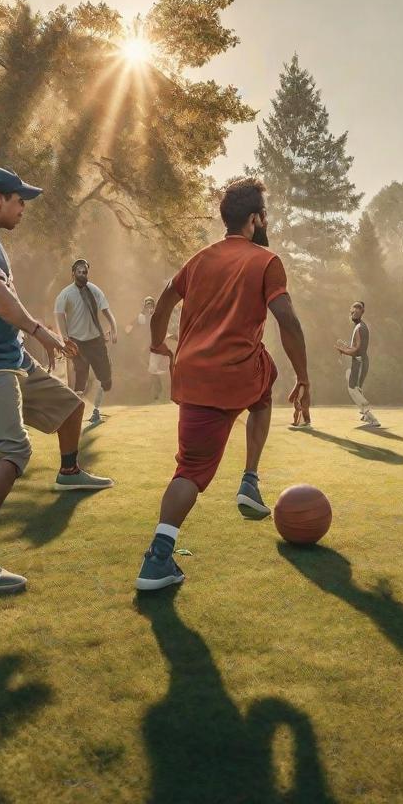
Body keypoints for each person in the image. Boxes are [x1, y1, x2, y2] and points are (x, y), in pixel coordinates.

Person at [134, 177, 311, 591]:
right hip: (236, 374)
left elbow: (162, 304)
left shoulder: (198, 260)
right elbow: (288, 321)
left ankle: (158, 558)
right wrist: (305, 378)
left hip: (193, 377)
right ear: (254, 219)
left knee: (189, 471)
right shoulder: (267, 261)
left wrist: (158, 342)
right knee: (267, 378)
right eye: (263, 215)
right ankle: (249, 478)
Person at [0, 167, 114, 592]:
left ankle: (70, 470)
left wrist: (28, 343)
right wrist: (42, 332)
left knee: (71, 406)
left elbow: (3, 301)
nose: (23, 207)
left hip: (11, 357)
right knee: (11, 451)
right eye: (19, 200)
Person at [54, 259, 118, 425]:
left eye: (85, 272)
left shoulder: (94, 290)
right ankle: (76, 412)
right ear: (73, 273)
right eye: (80, 272)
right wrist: (65, 338)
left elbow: (107, 312)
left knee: (106, 379)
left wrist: (114, 328)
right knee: (81, 373)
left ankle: (95, 408)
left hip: (95, 340)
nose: (83, 275)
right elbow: (59, 315)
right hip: (77, 341)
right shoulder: (66, 293)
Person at [335, 301, 380, 428]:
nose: (354, 311)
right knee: (354, 384)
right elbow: (355, 348)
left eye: (358, 308)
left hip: (360, 362)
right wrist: (346, 346)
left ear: (362, 312)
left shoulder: (360, 328)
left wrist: (343, 350)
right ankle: (366, 415)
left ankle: (372, 418)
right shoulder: (359, 327)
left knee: (352, 389)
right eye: (353, 309)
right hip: (359, 362)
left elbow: (357, 351)